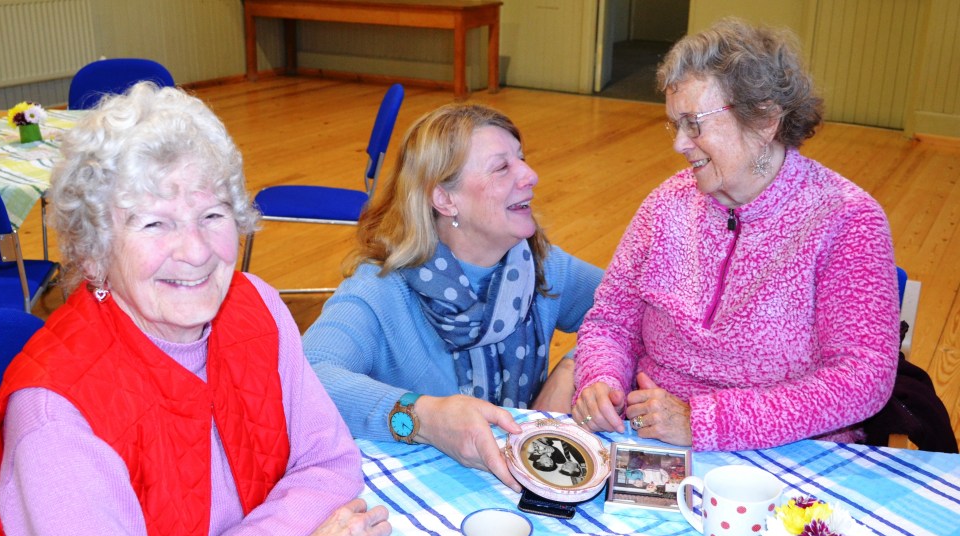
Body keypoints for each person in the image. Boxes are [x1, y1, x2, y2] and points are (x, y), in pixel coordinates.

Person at [0, 83, 391, 536]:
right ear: (95, 251)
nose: (196, 251)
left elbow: (331, 463)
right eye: (155, 223)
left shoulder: (257, 309)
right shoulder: (57, 419)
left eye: (212, 215)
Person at [573, 17, 899, 451]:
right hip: (652, 436)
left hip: (788, 451)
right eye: (675, 124)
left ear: (764, 120)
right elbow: (611, 322)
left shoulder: (846, 218)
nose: (679, 144)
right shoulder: (666, 204)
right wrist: (601, 380)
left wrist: (704, 422)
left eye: (694, 123)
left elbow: (863, 377)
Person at [302, 103, 603, 490]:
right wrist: (426, 418)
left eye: (522, 159)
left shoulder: (541, 266)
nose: (531, 175)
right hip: (419, 494)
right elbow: (307, 379)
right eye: (501, 167)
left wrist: (571, 369)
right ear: (444, 199)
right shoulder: (380, 289)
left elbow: (636, 313)